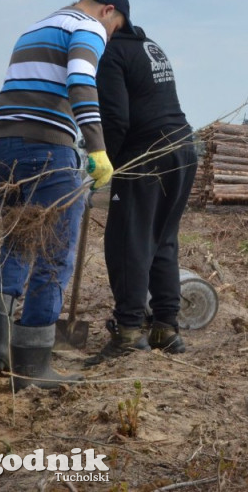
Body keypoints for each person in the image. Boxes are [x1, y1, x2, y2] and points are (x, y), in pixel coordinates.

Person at [0, 0, 130, 391]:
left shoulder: (36, 27)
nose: (110, 35)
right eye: (115, 28)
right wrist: (97, 150)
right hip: (45, 151)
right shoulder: (89, 27)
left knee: (19, 241)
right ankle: (32, 368)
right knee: (52, 255)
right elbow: (82, 81)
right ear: (108, 11)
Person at [87, 24, 198, 364]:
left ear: (110, 16)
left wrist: (109, 162)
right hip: (182, 148)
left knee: (128, 241)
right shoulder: (150, 46)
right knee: (162, 239)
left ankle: (129, 331)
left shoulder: (111, 53)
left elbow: (116, 118)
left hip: (145, 156)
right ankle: (165, 327)